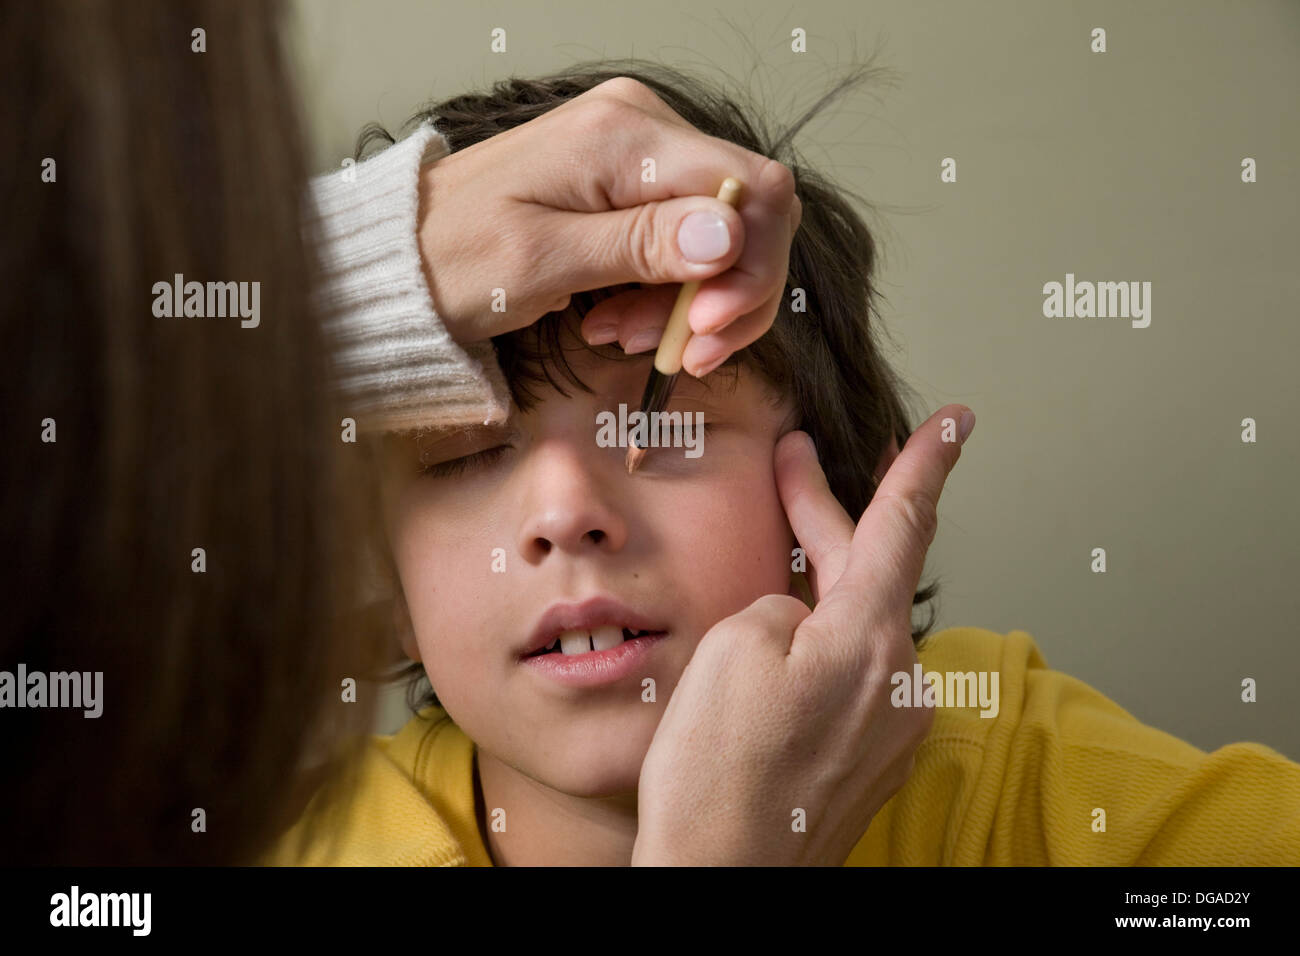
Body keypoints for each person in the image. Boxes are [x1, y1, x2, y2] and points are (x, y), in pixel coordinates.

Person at [267, 62, 1300, 866]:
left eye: (660, 426)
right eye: (465, 456)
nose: (565, 512)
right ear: (387, 589)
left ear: (836, 504)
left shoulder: (1025, 774)